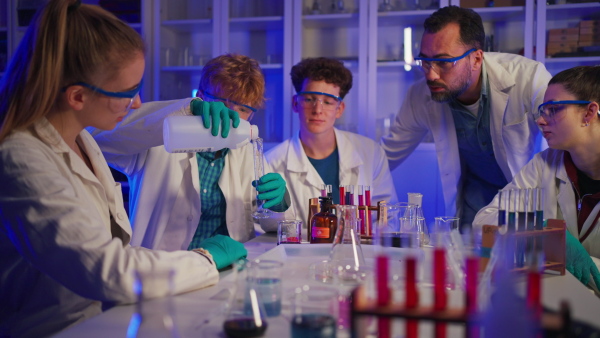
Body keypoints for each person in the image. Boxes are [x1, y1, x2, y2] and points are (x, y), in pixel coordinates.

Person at [0, 1, 246, 336]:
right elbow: (109, 271)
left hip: (104, 320)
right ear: (77, 97)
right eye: (126, 93)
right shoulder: (20, 158)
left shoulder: (82, 142)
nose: (137, 103)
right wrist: (204, 259)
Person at [91, 53, 290, 250]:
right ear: (200, 97)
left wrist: (278, 205)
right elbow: (96, 139)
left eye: (242, 109)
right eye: (222, 103)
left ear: (252, 115)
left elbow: (274, 227)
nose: (230, 117)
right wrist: (186, 110)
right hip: (161, 270)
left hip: (229, 268)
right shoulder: (157, 140)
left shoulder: (249, 154)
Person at [380, 6, 552, 230]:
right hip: (473, 210)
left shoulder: (528, 78)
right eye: (425, 61)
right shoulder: (420, 95)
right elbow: (386, 155)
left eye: (443, 62)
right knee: (467, 263)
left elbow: (566, 135)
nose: (431, 74)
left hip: (523, 203)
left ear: (476, 59)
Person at [473, 65, 600, 291]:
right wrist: (540, 234)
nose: (541, 120)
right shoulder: (544, 164)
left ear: (589, 113)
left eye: (553, 109)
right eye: (543, 109)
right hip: (558, 300)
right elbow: (483, 221)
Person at [266, 57, 398, 232]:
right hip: (302, 259)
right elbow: (268, 228)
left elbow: (388, 217)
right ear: (295, 103)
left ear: (340, 109)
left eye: (327, 102)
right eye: (309, 99)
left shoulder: (370, 153)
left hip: (361, 255)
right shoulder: (272, 162)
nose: (318, 109)